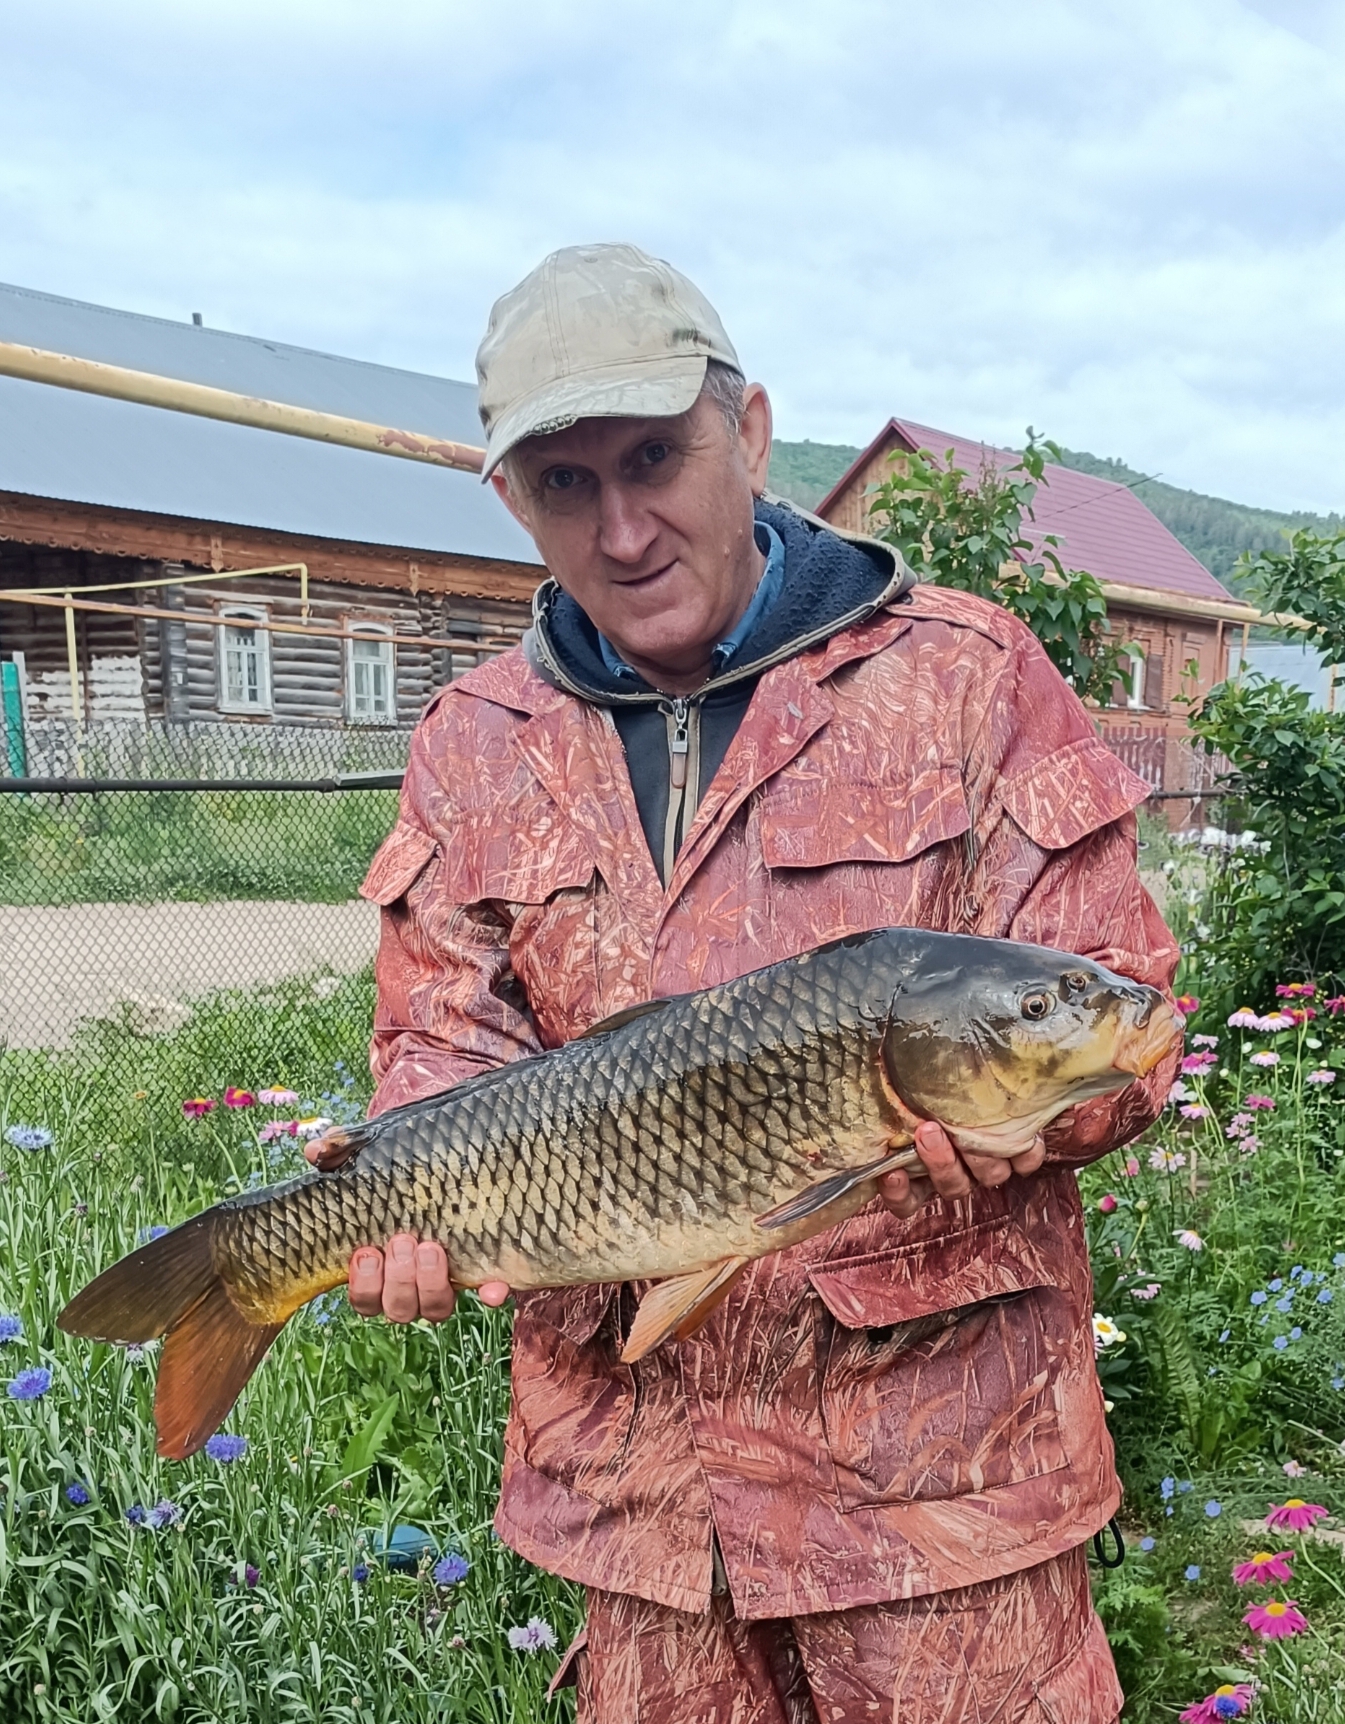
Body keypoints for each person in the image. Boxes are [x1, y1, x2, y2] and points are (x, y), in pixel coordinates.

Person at [313, 243, 1180, 1722]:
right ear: (513, 500)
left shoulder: (965, 678)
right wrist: (398, 1209)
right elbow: (443, 1051)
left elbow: (1124, 1019)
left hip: (944, 1502)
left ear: (752, 432)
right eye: (567, 485)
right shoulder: (476, 740)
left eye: (657, 458)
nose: (624, 527)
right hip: (639, 1514)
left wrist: (1029, 1125)